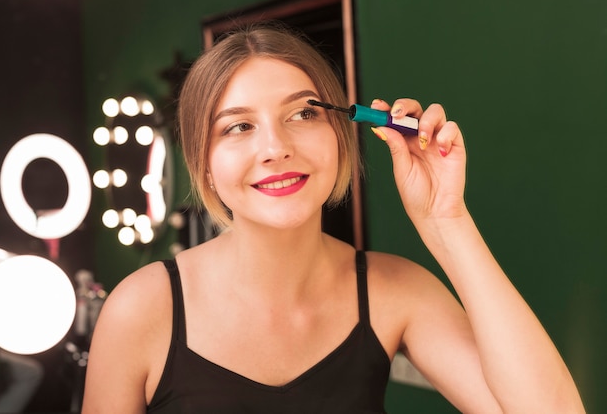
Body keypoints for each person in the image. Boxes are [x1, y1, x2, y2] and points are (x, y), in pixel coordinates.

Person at [82, 23, 585, 413]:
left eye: (304, 114)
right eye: (238, 127)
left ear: (343, 135)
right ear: (203, 165)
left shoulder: (395, 291)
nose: (275, 148)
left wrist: (445, 218)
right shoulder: (141, 311)